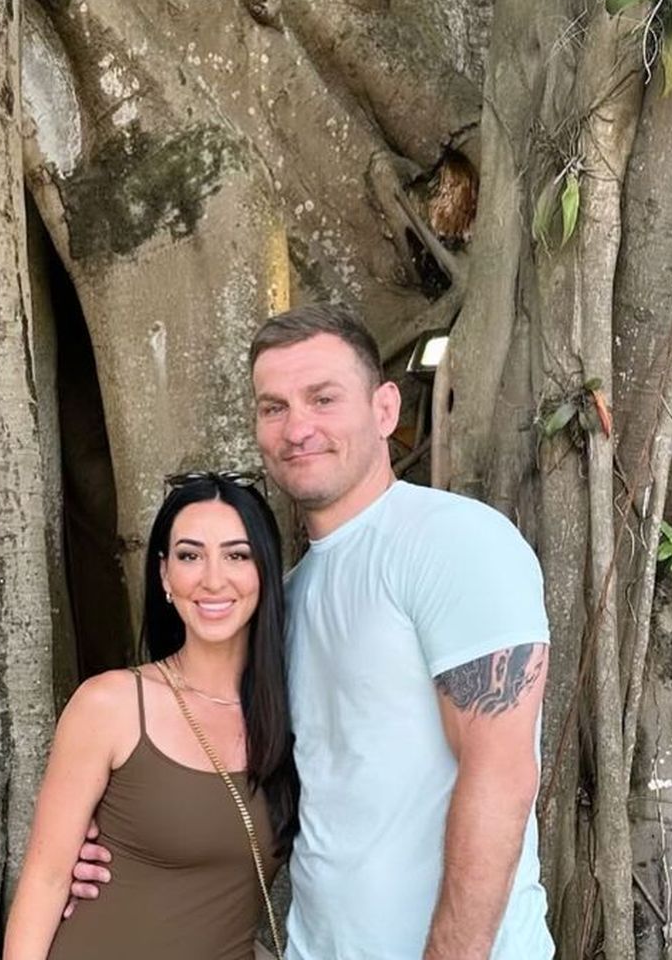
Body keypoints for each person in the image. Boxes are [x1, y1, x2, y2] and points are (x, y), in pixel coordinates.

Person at [70, 304, 552, 960]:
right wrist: (114, 851)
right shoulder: (283, 599)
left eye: (323, 398)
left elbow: (502, 776)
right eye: (274, 407)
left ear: (385, 410)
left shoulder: (453, 541)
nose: (298, 428)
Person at [3, 472, 298, 960]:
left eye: (236, 555)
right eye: (189, 555)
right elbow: (46, 880)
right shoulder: (110, 705)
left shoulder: (295, 715)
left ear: (265, 571)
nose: (213, 578)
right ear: (164, 575)